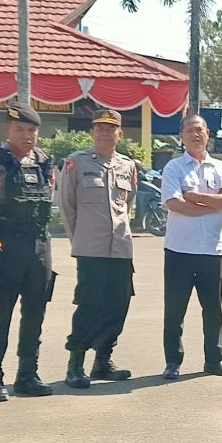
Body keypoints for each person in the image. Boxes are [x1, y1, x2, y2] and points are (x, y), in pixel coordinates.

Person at [58, 109, 139, 387]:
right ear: (92, 133)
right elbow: (67, 207)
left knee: (118, 305)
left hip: (120, 249)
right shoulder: (75, 163)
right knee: (89, 306)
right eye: (99, 128)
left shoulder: (128, 166)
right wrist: (80, 240)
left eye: (110, 128)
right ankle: (75, 364)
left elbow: (128, 207)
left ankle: (103, 361)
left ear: (120, 134)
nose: (105, 132)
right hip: (90, 249)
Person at [0, 102, 55, 399]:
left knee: (35, 312)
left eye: (31, 130)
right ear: (7, 130)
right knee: (0, 314)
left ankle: (27, 375)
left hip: (38, 243)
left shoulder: (44, 161)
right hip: (5, 244)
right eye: (20, 129)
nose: (27, 135)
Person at [160, 113, 222, 380]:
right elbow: (174, 205)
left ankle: (214, 360)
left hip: (213, 250)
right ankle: (173, 362)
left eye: (200, 130)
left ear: (208, 134)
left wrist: (194, 197)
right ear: (181, 136)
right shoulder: (173, 168)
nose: (195, 135)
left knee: (214, 309)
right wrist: (214, 203)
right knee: (175, 310)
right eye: (190, 130)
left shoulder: (220, 168)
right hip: (180, 250)